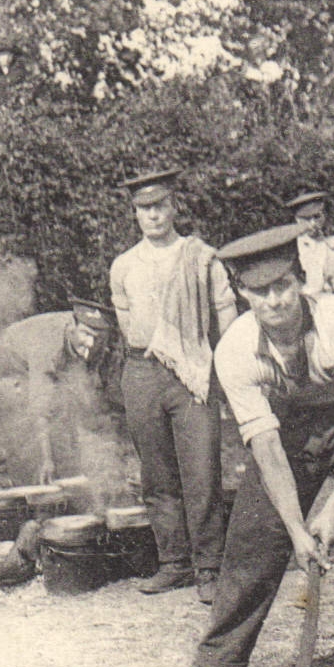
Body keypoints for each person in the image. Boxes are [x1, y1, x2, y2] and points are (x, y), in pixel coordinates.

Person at [142, 225, 334, 667]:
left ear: (301, 279)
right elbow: (265, 447)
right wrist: (295, 529)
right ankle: (217, 666)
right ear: (242, 294)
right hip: (290, 431)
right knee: (252, 539)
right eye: (259, 292)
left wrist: (333, 508)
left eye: (283, 285)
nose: (274, 301)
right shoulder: (234, 350)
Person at [109, 168, 237, 602]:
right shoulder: (124, 264)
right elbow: (126, 325)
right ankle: (174, 562)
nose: (153, 215)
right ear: (135, 214)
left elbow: (228, 321)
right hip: (142, 372)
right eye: (144, 208)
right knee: (157, 474)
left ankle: (209, 567)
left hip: (192, 372)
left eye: (160, 206)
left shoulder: (201, 257)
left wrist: (227, 370)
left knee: (201, 470)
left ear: (173, 206)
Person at [0, 299, 127, 486]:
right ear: (71, 327)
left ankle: (66, 469)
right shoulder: (47, 347)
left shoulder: (94, 339)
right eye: (86, 334)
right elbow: (40, 408)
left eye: (96, 337)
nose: (91, 343)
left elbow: (87, 386)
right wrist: (46, 460)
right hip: (11, 363)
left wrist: (97, 449)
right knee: (24, 420)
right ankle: (30, 480)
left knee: (66, 409)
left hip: (50, 355)